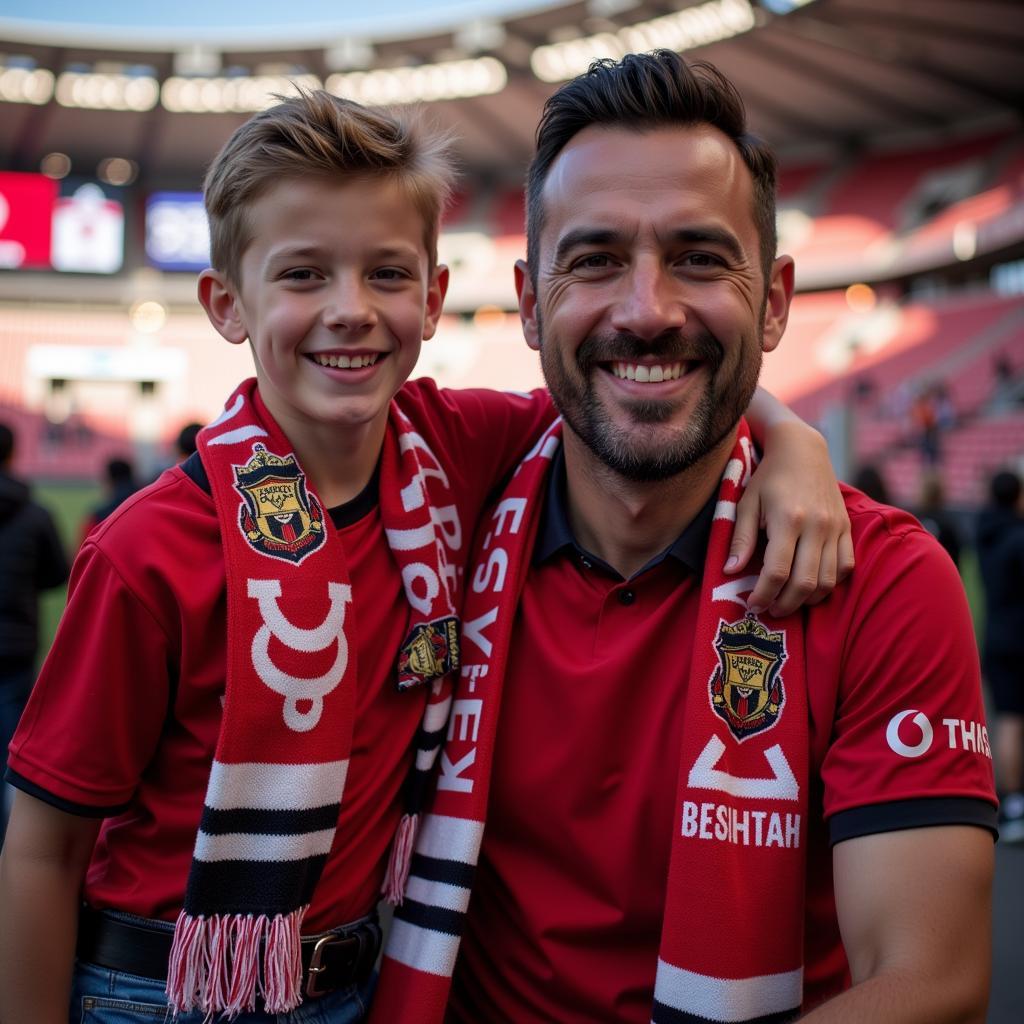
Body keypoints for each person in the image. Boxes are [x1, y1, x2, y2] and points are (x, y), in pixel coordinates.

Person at [0, 90, 847, 1024]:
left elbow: (639, 405)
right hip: (162, 988)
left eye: (388, 274)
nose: (351, 311)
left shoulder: (453, 447)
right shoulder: (147, 551)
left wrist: (793, 440)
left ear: (435, 298)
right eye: (303, 277)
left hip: (362, 978)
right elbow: (42, 849)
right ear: (226, 305)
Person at [371, 52, 997, 1024]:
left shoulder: (883, 580)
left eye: (700, 258)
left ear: (776, 299)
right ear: (529, 304)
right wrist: (787, 432)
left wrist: (784, 436)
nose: (646, 310)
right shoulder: (436, 504)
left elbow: (929, 977)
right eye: (594, 259)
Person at [0, 422, 69, 844]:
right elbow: (57, 573)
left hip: (15, 641)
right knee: (9, 737)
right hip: (15, 641)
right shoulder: (34, 512)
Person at [976, 469, 1024, 842]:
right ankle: (1016, 803)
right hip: (1018, 637)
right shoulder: (1017, 538)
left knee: (1007, 718)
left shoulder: (985, 531)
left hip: (994, 633)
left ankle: (1011, 803)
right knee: (1013, 720)